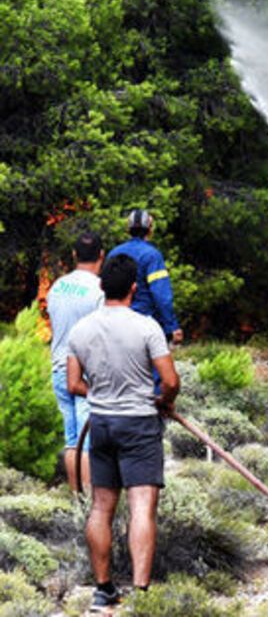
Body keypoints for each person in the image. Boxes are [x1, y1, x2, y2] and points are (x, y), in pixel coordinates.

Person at [66, 253, 180, 610]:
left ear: (102, 286)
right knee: (141, 506)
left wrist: (101, 393)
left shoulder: (81, 330)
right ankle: (141, 592)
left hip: (101, 424)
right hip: (140, 425)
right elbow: (171, 380)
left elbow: (73, 383)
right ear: (134, 288)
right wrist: (162, 399)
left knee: (101, 508)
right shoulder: (146, 327)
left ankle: (103, 589)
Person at [47, 230, 105, 491]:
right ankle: (91, 505)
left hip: (59, 368)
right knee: (88, 442)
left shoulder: (57, 286)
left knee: (72, 441)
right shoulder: (99, 290)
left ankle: (75, 497)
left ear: (74, 255)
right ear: (101, 256)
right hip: (85, 374)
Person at [109, 209, 182, 347]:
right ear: (150, 229)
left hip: (115, 324)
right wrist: (172, 326)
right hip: (146, 324)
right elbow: (161, 295)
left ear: (128, 229)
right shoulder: (152, 256)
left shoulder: (113, 253)